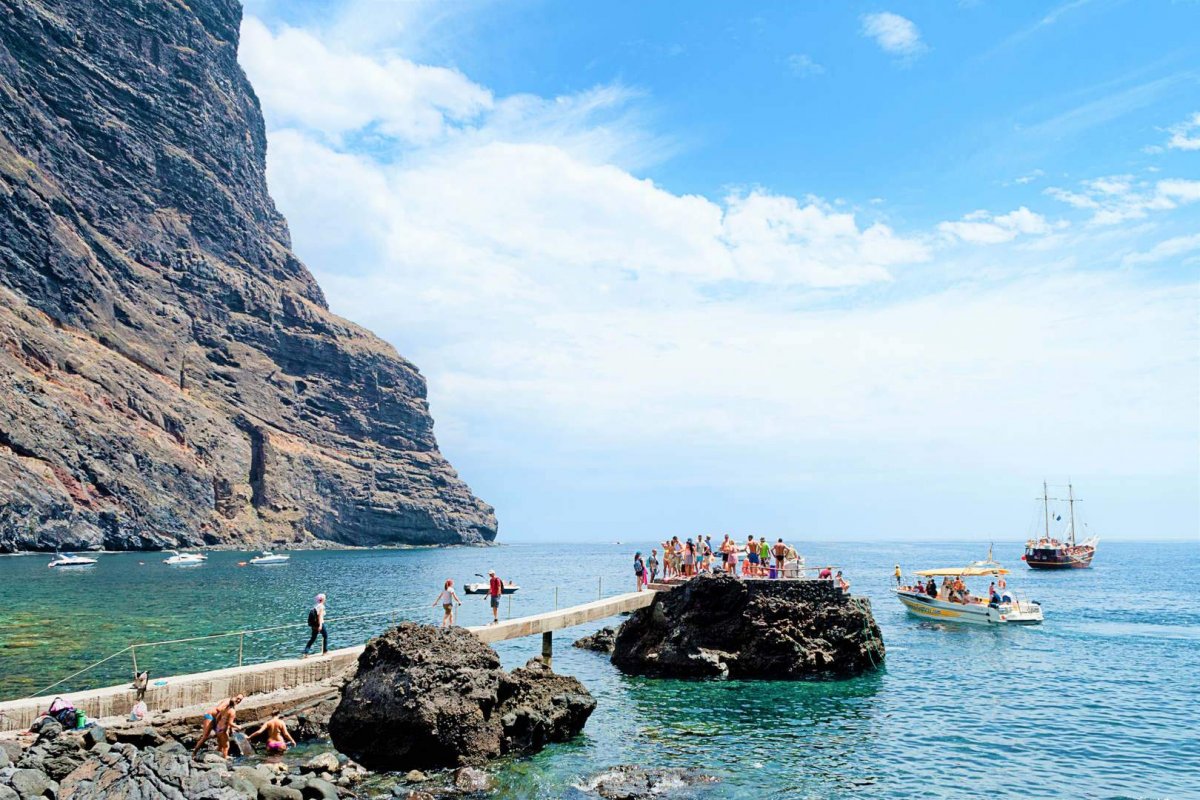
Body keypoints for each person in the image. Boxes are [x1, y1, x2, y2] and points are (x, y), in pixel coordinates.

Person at [192, 694, 243, 758]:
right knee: (205, 736)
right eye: (238, 698)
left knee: (221, 736)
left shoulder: (232, 705)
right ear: (235, 696)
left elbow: (226, 717)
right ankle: (194, 753)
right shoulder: (228, 702)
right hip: (209, 716)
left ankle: (218, 754)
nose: (238, 700)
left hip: (216, 719)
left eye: (240, 700)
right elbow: (218, 709)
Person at [302, 593, 327, 658]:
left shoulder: (316, 606)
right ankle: (325, 651)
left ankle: (305, 652)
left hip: (314, 625)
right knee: (325, 636)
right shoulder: (321, 606)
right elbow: (320, 617)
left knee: (313, 638)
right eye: (325, 598)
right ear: (323, 599)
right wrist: (320, 626)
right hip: (319, 624)